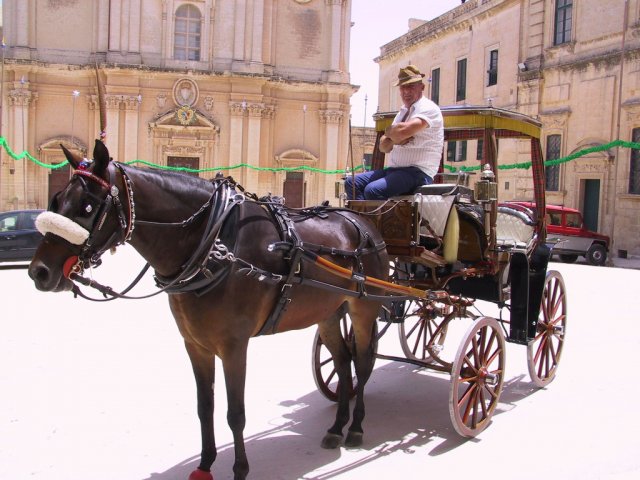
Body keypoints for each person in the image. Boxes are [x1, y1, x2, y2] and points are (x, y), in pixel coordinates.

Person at [345, 65, 444, 200]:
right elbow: (383, 146)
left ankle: (377, 221)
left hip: (417, 173)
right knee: (351, 183)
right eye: (403, 87)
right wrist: (393, 134)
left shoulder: (428, 108)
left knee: (372, 190)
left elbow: (401, 132)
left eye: (411, 86)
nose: (406, 91)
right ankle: (361, 219)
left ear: (422, 87)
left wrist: (394, 135)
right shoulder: (402, 113)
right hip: (395, 171)